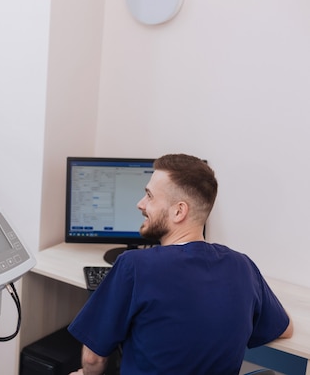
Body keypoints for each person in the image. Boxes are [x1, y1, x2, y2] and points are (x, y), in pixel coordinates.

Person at [68, 154, 294, 375]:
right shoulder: (243, 266)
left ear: (179, 211)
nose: (140, 204)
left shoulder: (134, 266)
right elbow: (285, 328)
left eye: (149, 196)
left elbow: (93, 358)